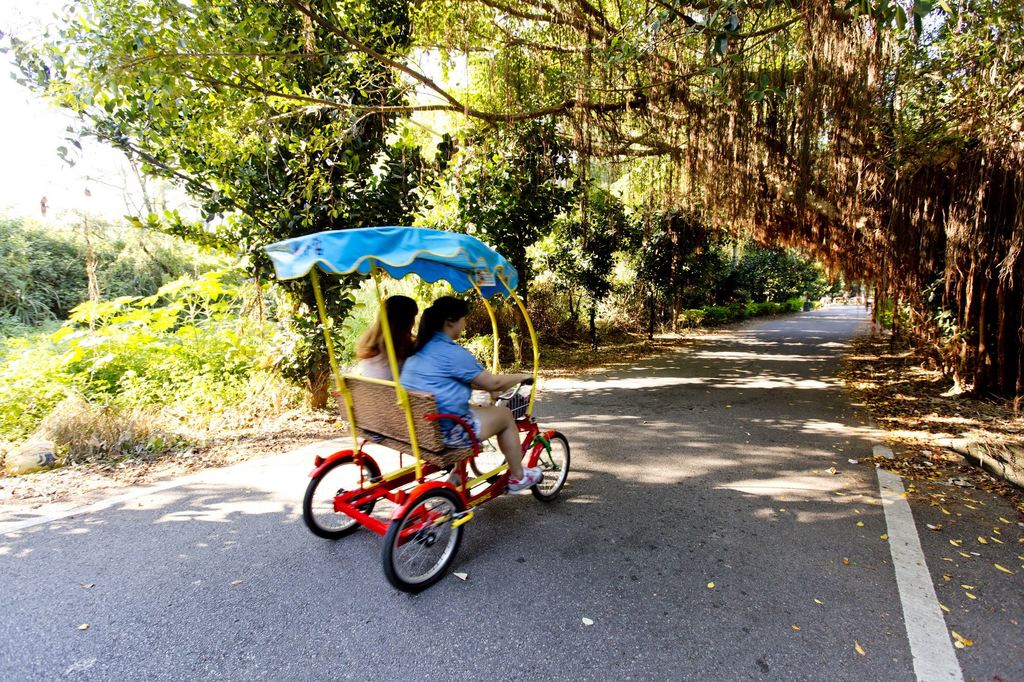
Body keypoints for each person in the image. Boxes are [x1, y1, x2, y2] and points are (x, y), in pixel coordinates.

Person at [400, 296, 542, 492]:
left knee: (472, 409)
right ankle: (518, 477)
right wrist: (522, 376)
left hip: (418, 428)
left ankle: (458, 472)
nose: (465, 323)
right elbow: (494, 382)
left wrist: (486, 387)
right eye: (463, 319)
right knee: (505, 416)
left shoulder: (420, 348)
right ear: (450, 321)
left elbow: (452, 382)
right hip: (445, 432)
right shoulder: (451, 352)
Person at [355, 295, 418, 380]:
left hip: (370, 393)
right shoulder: (404, 353)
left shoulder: (368, 348)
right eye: (413, 317)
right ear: (407, 321)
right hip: (395, 393)